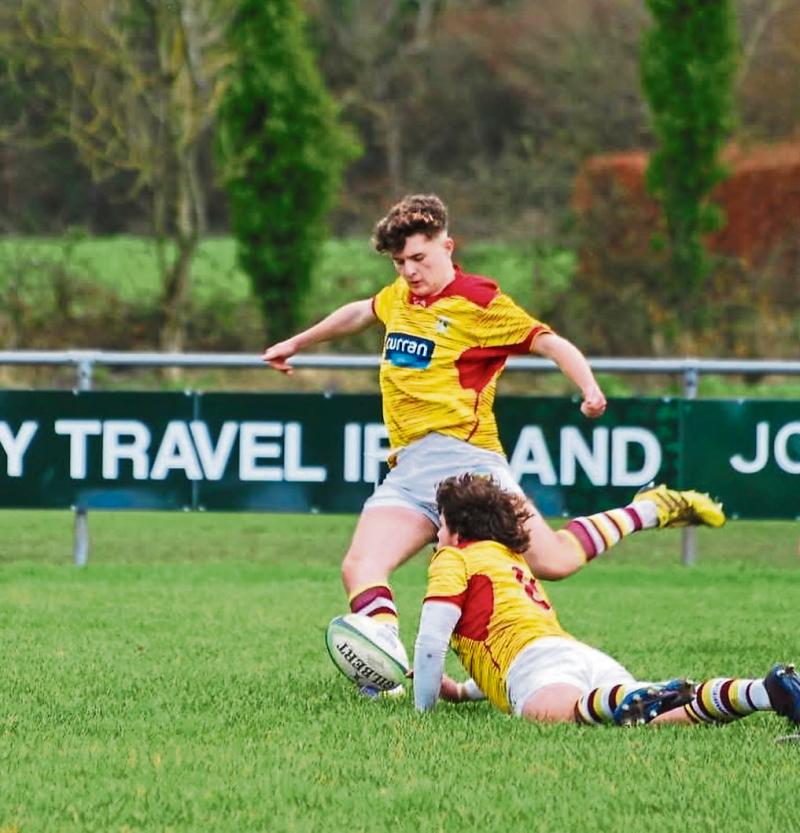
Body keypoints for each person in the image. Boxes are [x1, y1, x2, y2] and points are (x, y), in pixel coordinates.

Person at [263, 193, 724, 691]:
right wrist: (297, 343)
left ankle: (651, 508)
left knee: (556, 562)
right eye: (400, 262)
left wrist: (588, 387)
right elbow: (360, 312)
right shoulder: (400, 295)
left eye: (418, 258)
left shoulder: (479, 302)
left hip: (469, 470)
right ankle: (387, 660)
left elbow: (550, 341)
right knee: (361, 563)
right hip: (410, 470)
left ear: (447, 246)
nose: (409, 271)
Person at [413, 473, 800, 728]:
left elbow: (432, 643)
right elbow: (498, 643)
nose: (436, 533)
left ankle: (635, 697)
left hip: (536, 665)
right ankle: (764, 691)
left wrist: (423, 715)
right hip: (577, 658)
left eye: (441, 523)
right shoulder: (507, 559)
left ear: (459, 530)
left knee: (550, 714)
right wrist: (463, 691)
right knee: (653, 719)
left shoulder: (454, 557)